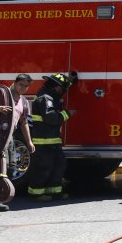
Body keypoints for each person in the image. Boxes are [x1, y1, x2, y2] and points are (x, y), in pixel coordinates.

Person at [28, 73, 75, 201]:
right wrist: (67, 113)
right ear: (57, 87)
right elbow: (51, 118)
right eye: (63, 89)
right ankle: (36, 194)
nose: (63, 92)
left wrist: (70, 81)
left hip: (52, 140)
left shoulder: (50, 97)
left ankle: (54, 193)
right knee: (43, 167)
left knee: (59, 165)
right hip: (43, 142)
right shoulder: (45, 98)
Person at [0, 74, 35, 212]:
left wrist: (29, 141)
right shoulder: (2, 94)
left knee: (10, 168)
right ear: (15, 82)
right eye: (21, 85)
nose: (24, 88)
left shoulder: (24, 101)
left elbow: (24, 122)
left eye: (26, 86)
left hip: (9, 138)